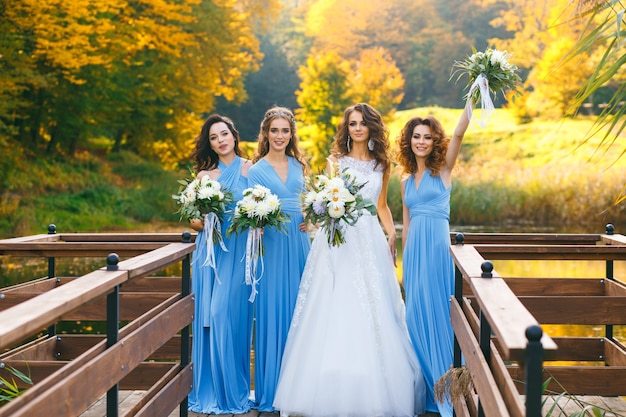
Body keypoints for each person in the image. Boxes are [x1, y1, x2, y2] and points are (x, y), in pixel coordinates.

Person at [273, 103, 426, 417]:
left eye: (362, 123)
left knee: (374, 305)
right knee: (334, 302)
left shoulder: (382, 165)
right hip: (338, 240)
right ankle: (326, 384)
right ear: (347, 128)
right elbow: (326, 200)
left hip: (369, 239)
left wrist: (392, 232)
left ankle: (374, 384)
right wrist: (316, 215)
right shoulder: (336, 162)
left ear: (371, 127)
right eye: (352, 123)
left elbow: (381, 205)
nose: (357, 128)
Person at [396, 104, 471, 417]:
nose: (422, 141)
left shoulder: (443, 170)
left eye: (427, 137)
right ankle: (431, 390)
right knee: (413, 317)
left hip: (437, 251)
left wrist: (473, 94)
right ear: (409, 141)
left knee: (439, 316)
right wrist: (402, 265)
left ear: (434, 141)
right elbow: (406, 224)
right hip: (413, 254)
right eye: (416, 136)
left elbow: (458, 132)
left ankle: (450, 392)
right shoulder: (403, 181)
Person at [187, 114, 254, 415]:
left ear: (234, 135)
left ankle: (233, 388)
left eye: (224, 134)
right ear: (210, 144)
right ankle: (211, 388)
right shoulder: (204, 177)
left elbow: (264, 205)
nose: (220, 140)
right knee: (210, 316)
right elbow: (193, 220)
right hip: (211, 251)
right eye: (214, 138)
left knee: (229, 315)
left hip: (239, 249)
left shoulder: (251, 168)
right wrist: (207, 217)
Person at [247, 106, 311, 413]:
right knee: (273, 312)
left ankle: (301, 390)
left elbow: (311, 204)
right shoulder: (256, 170)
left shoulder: (299, 165)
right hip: (271, 246)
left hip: (299, 245)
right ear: (265, 133)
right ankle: (271, 390)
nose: (280, 136)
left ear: (291, 134)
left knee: (303, 311)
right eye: (275, 130)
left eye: (285, 131)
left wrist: (311, 217)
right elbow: (248, 210)